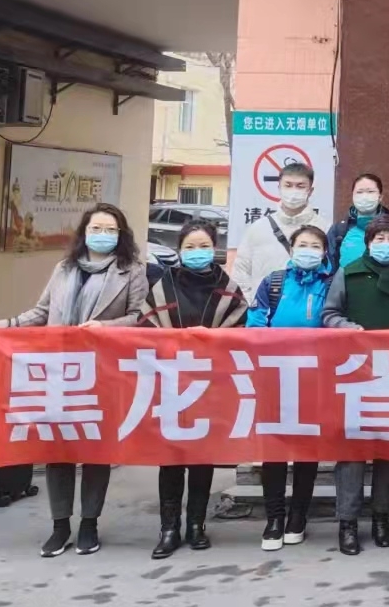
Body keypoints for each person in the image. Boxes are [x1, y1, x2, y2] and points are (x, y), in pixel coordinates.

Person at [0, 203, 146, 558]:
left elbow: (140, 317)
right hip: (59, 369)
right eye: (96, 228)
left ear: (121, 235)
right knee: (58, 447)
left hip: (102, 370)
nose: (102, 235)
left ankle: (89, 522)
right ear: (84, 232)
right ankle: (60, 525)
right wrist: (6, 326)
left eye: (110, 229)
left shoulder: (131, 271)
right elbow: (42, 312)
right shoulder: (64, 269)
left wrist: (105, 327)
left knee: (95, 449)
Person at [139, 219, 248, 559]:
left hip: (210, 384)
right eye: (190, 247)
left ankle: (197, 525)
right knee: (171, 458)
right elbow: (144, 329)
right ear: (179, 251)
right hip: (170, 383)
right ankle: (168, 528)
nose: (197, 252)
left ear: (214, 249)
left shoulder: (229, 289)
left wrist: (210, 341)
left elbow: (240, 333)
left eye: (204, 246)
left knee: (203, 457)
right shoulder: (162, 286)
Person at [321, 214, 389, 556]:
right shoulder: (348, 273)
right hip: (356, 373)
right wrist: (348, 328)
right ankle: (347, 522)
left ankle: (381, 517)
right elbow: (329, 314)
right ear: (368, 243)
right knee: (352, 452)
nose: (386, 245)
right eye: (380, 239)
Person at [246, 224, 336, 551]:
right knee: (274, 449)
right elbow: (255, 324)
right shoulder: (273, 282)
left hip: (315, 378)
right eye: (302, 245)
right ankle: (274, 517)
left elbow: (336, 321)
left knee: (306, 451)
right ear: (292, 248)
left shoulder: (331, 284)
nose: (308, 251)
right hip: (275, 377)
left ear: (324, 253)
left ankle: (298, 516)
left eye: (315, 246)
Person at [228, 161, 330, 300]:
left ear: (310, 191)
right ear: (279, 188)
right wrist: (252, 304)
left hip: (308, 310)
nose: (293, 191)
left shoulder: (325, 228)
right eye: (288, 185)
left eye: (300, 186)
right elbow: (240, 273)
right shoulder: (258, 228)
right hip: (263, 310)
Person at [331, 174, 389, 269]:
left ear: (380, 197)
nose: (365, 196)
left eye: (370, 191)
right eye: (359, 192)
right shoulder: (339, 230)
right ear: (353, 196)